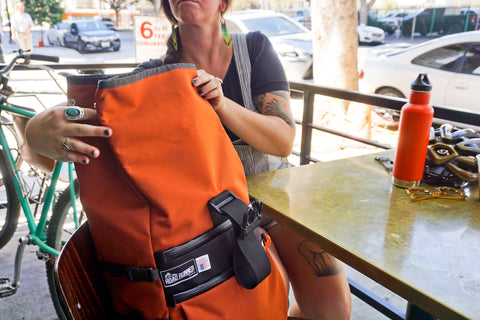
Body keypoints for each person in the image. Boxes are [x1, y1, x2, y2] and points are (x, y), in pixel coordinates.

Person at [25, 0, 352, 318]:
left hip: (275, 201)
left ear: (224, 4)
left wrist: (221, 104)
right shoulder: (152, 76)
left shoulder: (253, 48)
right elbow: (89, 143)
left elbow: (282, 141)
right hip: (209, 219)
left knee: (333, 310)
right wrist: (35, 135)